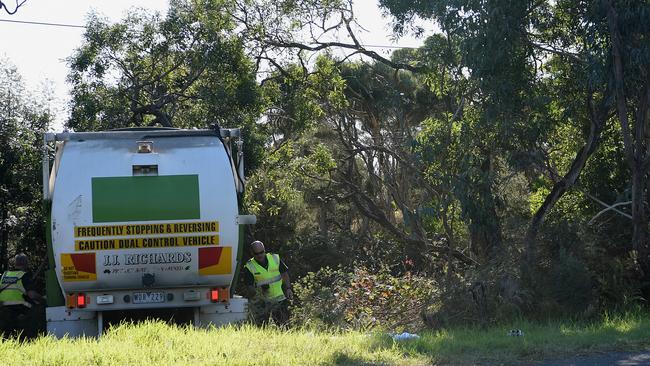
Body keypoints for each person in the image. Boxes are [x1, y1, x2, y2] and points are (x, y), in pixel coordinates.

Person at [243, 240, 293, 326]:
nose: (259, 255)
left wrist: (288, 288)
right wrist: (256, 293)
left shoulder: (274, 258)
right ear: (252, 253)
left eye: (261, 252)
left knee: (283, 325)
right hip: (263, 302)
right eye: (256, 253)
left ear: (264, 250)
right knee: (262, 327)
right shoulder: (249, 266)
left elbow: (284, 273)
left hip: (280, 299)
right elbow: (249, 286)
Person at [0, 253, 44, 339]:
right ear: (26, 263)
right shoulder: (24, 276)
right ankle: (34, 337)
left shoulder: (4, 275)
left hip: (3, 309)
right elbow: (32, 295)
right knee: (38, 311)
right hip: (20, 309)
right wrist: (43, 300)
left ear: (15, 263)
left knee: (6, 336)